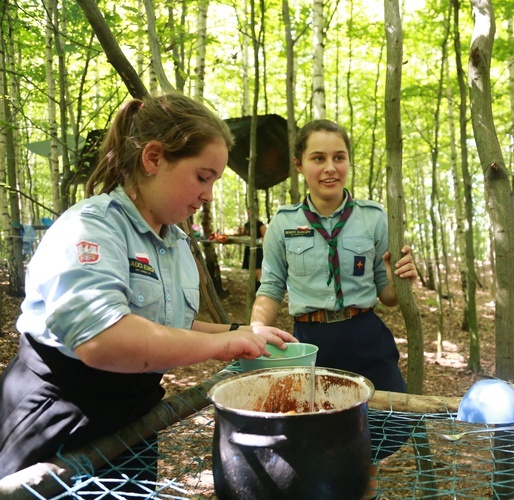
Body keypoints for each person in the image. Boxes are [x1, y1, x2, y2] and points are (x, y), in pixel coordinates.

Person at [0, 93, 295, 487]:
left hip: (131, 420)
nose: (208, 195)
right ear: (154, 158)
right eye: (202, 177)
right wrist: (223, 347)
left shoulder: (173, 242)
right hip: (61, 419)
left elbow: (165, 321)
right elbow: (103, 340)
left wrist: (239, 333)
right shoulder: (91, 228)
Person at [249, 119, 417, 498]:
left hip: (365, 337)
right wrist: (256, 331)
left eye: (339, 157)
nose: (330, 168)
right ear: (299, 165)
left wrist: (399, 276)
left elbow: (387, 295)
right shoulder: (283, 223)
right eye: (318, 158)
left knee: (379, 429)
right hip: (311, 343)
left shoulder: (374, 217)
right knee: (314, 438)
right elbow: (271, 287)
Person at [241, 209, 266, 289]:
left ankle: (259, 291)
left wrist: (256, 240)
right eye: (247, 214)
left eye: (250, 214)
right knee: (251, 272)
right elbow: (245, 235)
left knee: (258, 271)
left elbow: (265, 236)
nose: (248, 215)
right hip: (248, 249)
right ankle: (253, 290)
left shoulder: (259, 224)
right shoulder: (246, 224)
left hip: (258, 249)